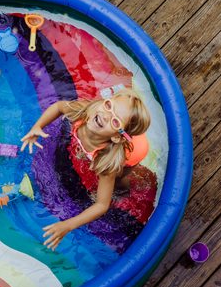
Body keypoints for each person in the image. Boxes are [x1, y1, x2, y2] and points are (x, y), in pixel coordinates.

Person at [20, 88, 151, 250]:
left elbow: (102, 205)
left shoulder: (106, 161)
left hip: (125, 157)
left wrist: (68, 225)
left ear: (117, 136)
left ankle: (124, 184)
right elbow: (59, 107)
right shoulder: (84, 112)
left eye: (115, 121)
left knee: (120, 184)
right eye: (109, 105)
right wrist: (37, 127)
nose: (105, 115)